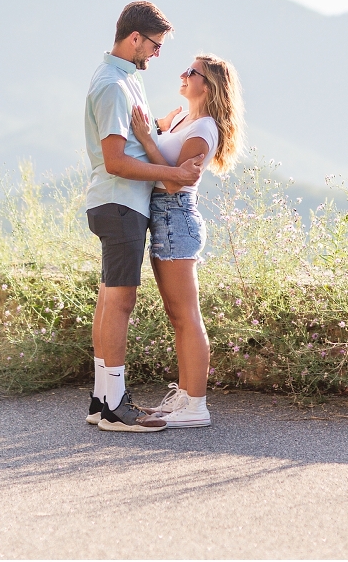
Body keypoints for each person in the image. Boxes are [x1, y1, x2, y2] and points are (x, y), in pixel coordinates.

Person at [84, 1, 205, 433]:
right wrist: (172, 172)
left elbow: (129, 141)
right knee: (120, 301)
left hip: (116, 203)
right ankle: (115, 407)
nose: (156, 55)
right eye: (154, 46)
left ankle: (103, 400)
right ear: (134, 38)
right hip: (120, 202)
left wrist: (159, 126)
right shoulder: (115, 86)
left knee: (108, 299)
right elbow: (116, 160)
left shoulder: (123, 81)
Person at [130, 53, 244, 429]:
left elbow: (172, 182)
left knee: (186, 317)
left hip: (175, 217)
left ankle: (196, 406)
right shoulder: (184, 118)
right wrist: (154, 130)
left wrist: (148, 138)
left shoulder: (204, 130)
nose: (182, 74)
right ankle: (184, 395)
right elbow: (164, 160)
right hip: (165, 219)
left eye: (191, 72)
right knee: (177, 316)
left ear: (207, 85)